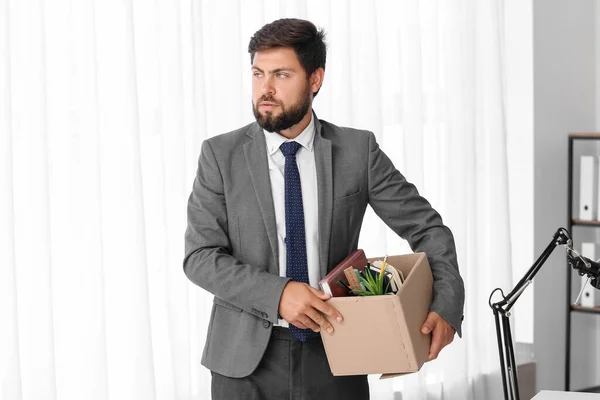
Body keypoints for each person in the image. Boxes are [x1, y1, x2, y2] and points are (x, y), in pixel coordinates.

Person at [184, 18, 465, 400]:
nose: (264, 89)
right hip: (243, 365)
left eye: (281, 74)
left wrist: (447, 304)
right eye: (257, 73)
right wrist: (279, 294)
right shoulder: (219, 155)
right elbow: (200, 257)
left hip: (337, 355)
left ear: (315, 80)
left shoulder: (357, 152)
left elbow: (428, 229)